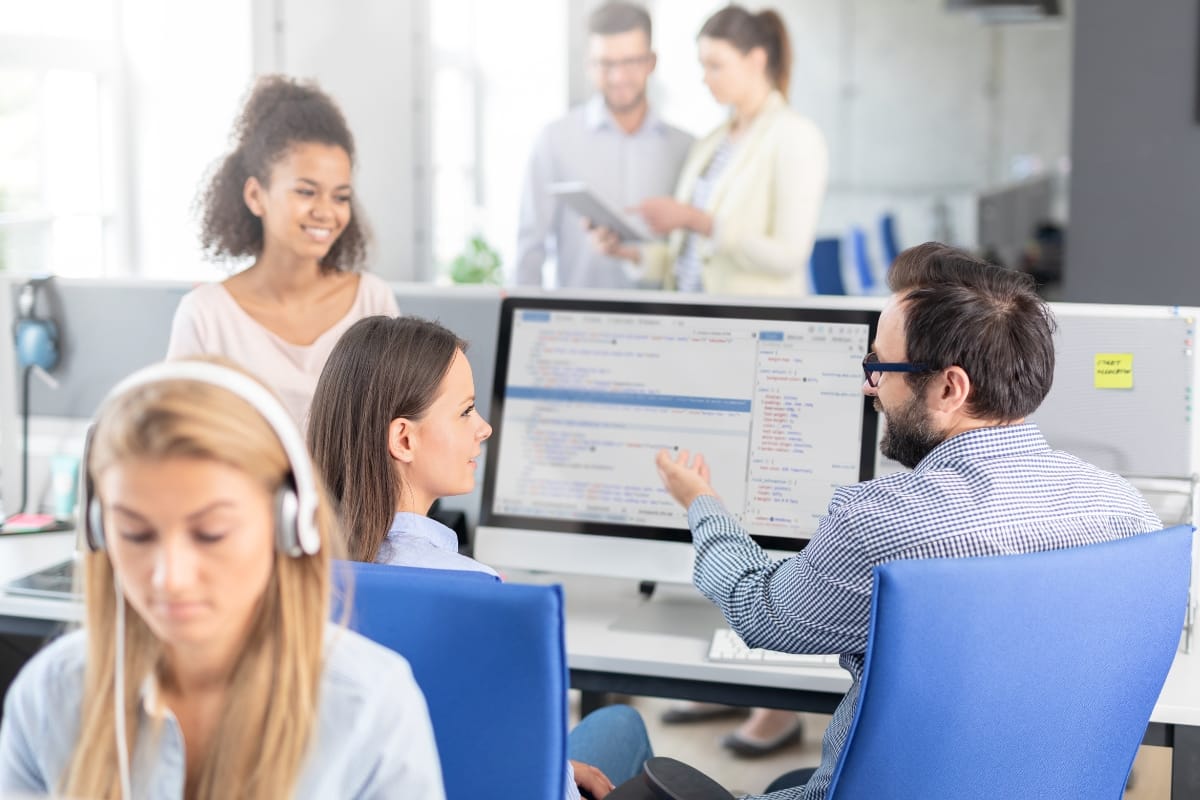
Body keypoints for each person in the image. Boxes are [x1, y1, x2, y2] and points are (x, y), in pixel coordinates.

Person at [652, 243, 1163, 799]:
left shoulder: (879, 523)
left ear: (949, 388)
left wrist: (704, 505)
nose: (870, 386)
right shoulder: (1125, 510)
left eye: (880, 366)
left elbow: (761, 614)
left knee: (623, 744)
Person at [0, 359, 443, 798]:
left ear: (289, 526)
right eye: (134, 533)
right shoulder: (50, 696)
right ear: (99, 532)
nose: (170, 578)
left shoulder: (370, 707)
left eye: (211, 533)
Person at [308, 314, 654, 800]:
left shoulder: (292, 578)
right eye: (466, 411)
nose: (485, 428)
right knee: (622, 723)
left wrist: (554, 762)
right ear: (403, 439)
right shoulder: (473, 593)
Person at [167, 74, 399, 428]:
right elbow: (176, 443)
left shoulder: (373, 303)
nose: (326, 211)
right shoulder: (206, 317)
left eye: (340, 197)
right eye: (306, 192)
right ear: (255, 196)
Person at [592, 4, 828, 295]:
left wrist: (696, 220)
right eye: (703, 66)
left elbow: (789, 255)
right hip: (693, 320)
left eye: (715, 66)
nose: (705, 78)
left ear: (756, 60)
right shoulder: (711, 143)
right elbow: (692, 256)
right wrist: (631, 253)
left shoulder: (794, 135)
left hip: (750, 326)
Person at [515, 2, 693, 289]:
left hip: (664, 324)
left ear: (652, 62)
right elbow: (530, 246)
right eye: (606, 63)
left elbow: (692, 253)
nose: (618, 77)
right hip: (574, 323)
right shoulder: (555, 140)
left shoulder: (686, 148)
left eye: (631, 62)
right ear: (589, 64)